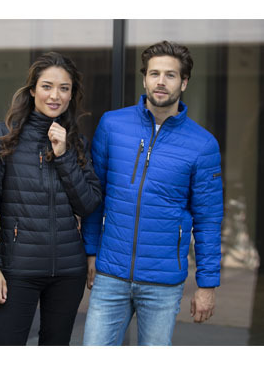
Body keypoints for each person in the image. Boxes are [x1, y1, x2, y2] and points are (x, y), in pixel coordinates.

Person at [81, 41, 224, 346]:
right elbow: (95, 196)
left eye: (170, 75)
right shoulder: (112, 125)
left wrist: (207, 285)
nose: (161, 81)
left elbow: (208, 221)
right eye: (154, 73)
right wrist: (91, 251)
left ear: (184, 82)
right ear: (144, 78)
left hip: (163, 282)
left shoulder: (202, 144)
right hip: (110, 274)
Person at [0, 52, 102, 345]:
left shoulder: (76, 142)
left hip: (68, 271)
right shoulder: (2, 137)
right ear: (32, 90)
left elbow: (88, 203)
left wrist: (63, 155)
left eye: (64, 88)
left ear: (71, 95)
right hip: (18, 270)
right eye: (47, 86)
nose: (55, 95)